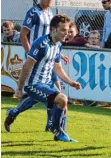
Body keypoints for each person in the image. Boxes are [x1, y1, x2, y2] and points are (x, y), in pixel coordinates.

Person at [4, 14, 81, 142]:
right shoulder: (41, 44)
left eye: (67, 30)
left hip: (46, 82)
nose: (66, 33)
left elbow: (58, 68)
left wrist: (70, 82)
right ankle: (57, 131)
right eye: (63, 30)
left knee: (61, 103)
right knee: (61, 99)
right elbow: (26, 66)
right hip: (33, 84)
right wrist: (19, 89)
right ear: (53, 29)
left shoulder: (58, 45)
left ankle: (13, 113)